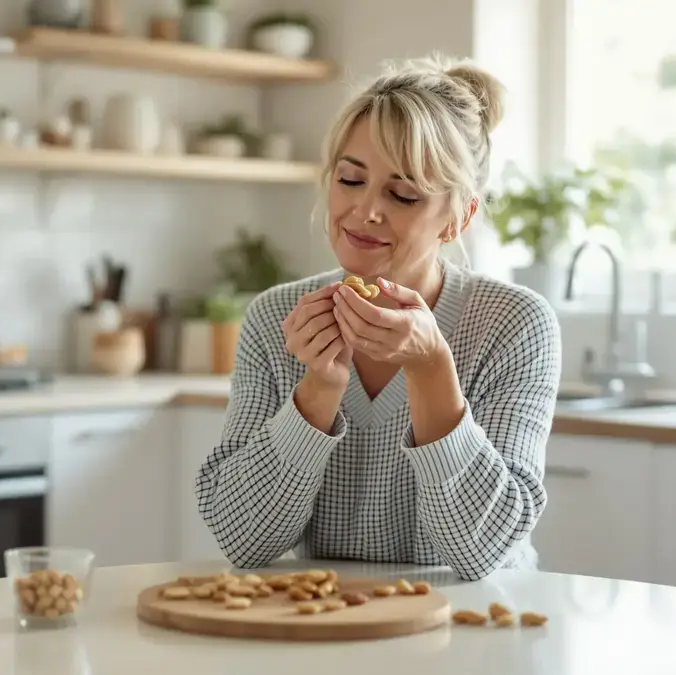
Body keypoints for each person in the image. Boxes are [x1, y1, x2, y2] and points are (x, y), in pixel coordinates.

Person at [194, 55, 562, 581]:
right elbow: (243, 540)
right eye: (350, 179)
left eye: (403, 193)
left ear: (459, 217)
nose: (365, 211)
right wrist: (318, 389)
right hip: (327, 627)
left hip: (474, 631)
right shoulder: (275, 317)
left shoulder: (513, 324)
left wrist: (432, 368)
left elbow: (481, 553)